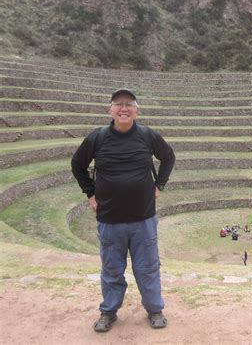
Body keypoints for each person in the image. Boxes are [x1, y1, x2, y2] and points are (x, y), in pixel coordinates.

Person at [71, 89, 175, 332]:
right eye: (119, 104)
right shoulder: (97, 138)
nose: (124, 108)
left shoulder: (148, 136)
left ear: (137, 111)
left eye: (129, 104)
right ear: (110, 110)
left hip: (144, 218)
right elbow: (77, 165)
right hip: (110, 219)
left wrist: (159, 184)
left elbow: (168, 157)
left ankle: (155, 309)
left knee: (148, 267)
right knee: (111, 269)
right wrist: (90, 193)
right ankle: (108, 312)